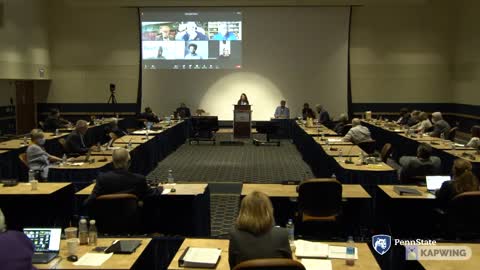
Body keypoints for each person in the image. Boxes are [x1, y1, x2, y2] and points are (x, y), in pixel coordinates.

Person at [229, 191, 292, 268]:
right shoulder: (282, 234)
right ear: (269, 211)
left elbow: (233, 266)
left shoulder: (235, 236)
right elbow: (290, 265)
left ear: (242, 212)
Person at [85, 148, 162, 206]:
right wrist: (160, 188)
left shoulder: (102, 178)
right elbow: (151, 194)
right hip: (133, 220)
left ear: (113, 162)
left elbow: (89, 201)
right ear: (129, 163)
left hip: (107, 222)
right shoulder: (139, 179)